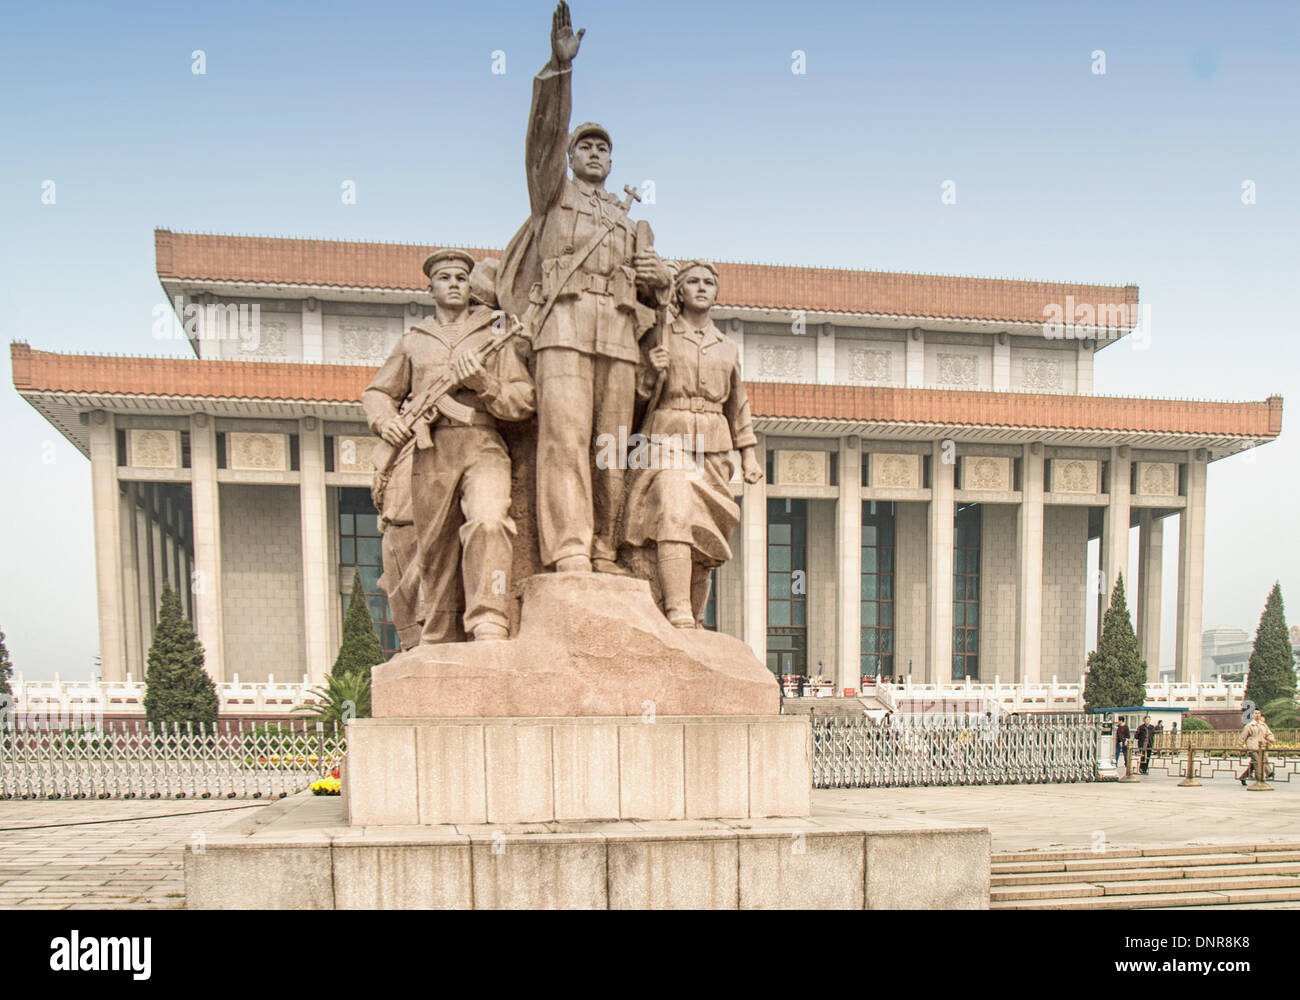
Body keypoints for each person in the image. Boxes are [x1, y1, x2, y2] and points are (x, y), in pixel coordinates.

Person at [496, 1, 673, 576]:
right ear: (570, 158)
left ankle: (606, 547)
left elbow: (656, 297)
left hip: (617, 337)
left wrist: (658, 282)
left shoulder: (627, 222)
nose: (593, 154)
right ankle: (569, 548)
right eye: (584, 147)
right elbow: (542, 136)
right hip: (564, 332)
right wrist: (560, 69)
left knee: (611, 449)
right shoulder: (552, 196)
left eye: (602, 148)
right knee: (564, 441)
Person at [363, 249, 536, 643]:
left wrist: (484, 385)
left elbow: (524, 399)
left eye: (461, 277)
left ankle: (489, 617)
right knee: (436, 544)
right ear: (431, 287)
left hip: (482, 442)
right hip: (432, 449)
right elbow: (378, 392)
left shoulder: (495, 335)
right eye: (445, 277)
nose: (454, 284)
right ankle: (439, 630)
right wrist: (386, 420)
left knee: (490, 520)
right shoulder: (414, 342)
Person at [620, 261, 762, 626]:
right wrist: (650, 370)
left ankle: (694, 615)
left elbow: (738, 404)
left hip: (713, 447)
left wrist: (748, 455)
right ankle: (677, 608)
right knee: (673, 505)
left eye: (709, 283)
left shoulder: (727, 348)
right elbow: (631, 397)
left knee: (706, 533)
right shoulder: (661, 334)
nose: (702, 288)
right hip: (666, 434)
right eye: (693, 282)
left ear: (716, 293)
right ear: (679, 291)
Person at [1239, 709, 1276, 785]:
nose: (1257, 715)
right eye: (1255, 713)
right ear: (1252, 715)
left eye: (1259, 713)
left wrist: (1271, 739)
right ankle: (1265, 776)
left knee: (1256, 763)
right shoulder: (1249, 726)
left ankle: (1243, 777)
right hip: (1253, 747)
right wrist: (1239, 747)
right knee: (1258, 762)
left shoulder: (1263, 725)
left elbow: (1268, 734)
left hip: (1262, 746)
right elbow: (1242, 737)